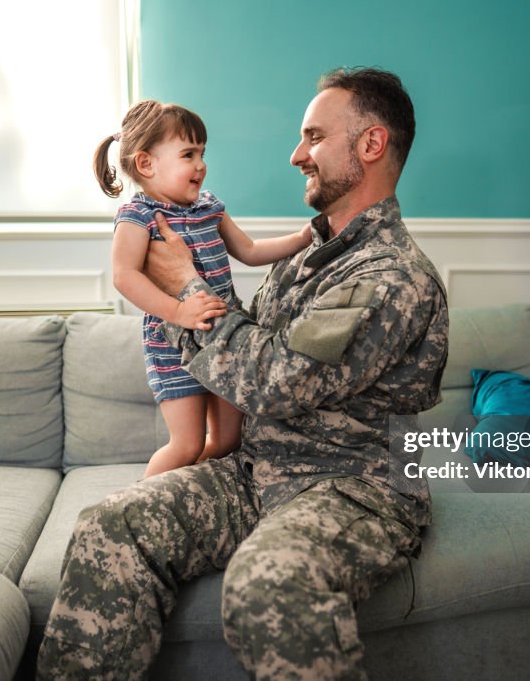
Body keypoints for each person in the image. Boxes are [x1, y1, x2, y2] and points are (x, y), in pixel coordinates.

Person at [38, 67, 449, 680]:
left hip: (348, 487)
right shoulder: (316, 253)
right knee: (111, 524)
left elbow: (274, 383)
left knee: (269, 583)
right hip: (256, 473)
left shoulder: (388, 276)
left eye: (313, 137)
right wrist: (187, 300)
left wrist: (183, 285)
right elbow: (248, 338)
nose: (295, 155)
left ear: (370, 145)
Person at [93, 100, 312, 477]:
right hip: (173, 340)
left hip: (227, 336)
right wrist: (180, 312)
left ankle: (188, 489)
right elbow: (124, 275)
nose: (201, 165)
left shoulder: (209, 207)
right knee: (188, 444)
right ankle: (145, 504)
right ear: (146, 164)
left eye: (202, 153)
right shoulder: (138, 216)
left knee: (228, 440)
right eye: (188, 154)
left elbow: (250, 250)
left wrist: (305, 236)